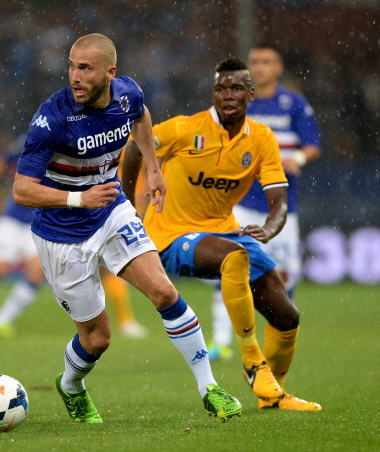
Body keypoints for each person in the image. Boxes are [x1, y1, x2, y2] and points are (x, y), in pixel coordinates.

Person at [13, 33, 241, 423]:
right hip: (61, 233)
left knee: (164, 291)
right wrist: (78, 198)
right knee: (98, 338)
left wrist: (153, 168)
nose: (75, 76)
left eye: (85, 68)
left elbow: (142, 117)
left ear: (110, 72)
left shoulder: (127, 95)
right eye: (71, 66)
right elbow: (21, 189)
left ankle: (209, 387)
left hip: (111, 210)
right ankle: (71, 385)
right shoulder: (52, 119)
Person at [122, 57, 321, 411]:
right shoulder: (186, 128)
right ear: (214, 94)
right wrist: (128, 204)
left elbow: (279, 203)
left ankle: (272, 395)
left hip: (224, 230)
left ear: (250, 94)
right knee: (234, 256)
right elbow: (136, 144)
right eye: (220, 88)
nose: (227, 94)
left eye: (236, 88)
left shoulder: (261, 139)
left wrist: (269, 229)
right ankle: (251, 360)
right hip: (171, 234)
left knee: (287, 316)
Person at [0, 135, 149, 339]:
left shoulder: (85, 144)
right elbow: (4, 159)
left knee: (36, 271)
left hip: (41, 221)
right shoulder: (43, 135)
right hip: (14, 217)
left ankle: (1, 321)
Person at [208, 45, 322, 361]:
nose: (259, 66)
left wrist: (296, 157)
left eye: (266, 61)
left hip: (281, 204)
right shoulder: (241, 103)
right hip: (241, 200)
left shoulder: (293, 103)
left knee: (283, 274)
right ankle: (221, 341)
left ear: (279, 67)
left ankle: (281, 333)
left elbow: (312, 144)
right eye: (255, 61)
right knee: (229, 268)